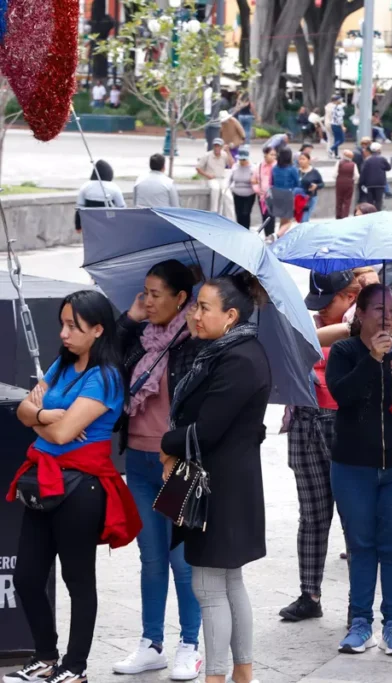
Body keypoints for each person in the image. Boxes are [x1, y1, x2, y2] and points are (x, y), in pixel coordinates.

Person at [8, 290, 139, 683]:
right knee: (28, 576)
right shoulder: (62, 365)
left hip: (82, 487)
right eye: (62, 324)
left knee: (77, 579)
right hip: (44, 478)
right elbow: (22, 410)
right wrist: (46, 413)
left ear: (98, 330)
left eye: (74, 326)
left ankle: (74, 667)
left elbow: (64, 434)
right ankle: (45, 656)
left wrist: (44, 419)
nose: (64, 333)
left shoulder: (106, 376)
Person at [159, 275, 271, 683]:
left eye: (204, 307)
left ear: (231, 315)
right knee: (227, 581)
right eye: (196, 305)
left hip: (217, 486)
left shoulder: (239, 359)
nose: (195, 313)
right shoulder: (223, 352)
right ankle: (241, 674)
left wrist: (167, 442)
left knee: (208, 587)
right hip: (224, 481)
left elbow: (206, 429)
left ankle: (218, 676)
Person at [112, 261, 204, 679]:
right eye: (143, 293)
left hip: (177, 463)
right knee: (150, 558)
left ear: (181, 298)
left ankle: (190, 643)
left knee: (181, 560)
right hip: (138, 458)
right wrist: (129, 321)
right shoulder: (142, 337)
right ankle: (151, 643)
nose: (147, 302)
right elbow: (106, 361)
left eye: (155, 294)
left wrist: (180, 451)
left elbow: (202, 408)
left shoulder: (197, 341)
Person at [325, 284, 392, 656]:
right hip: (353, 466)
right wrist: (371, 359)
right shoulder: (345, 351)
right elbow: (342, 396)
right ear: (361, 314)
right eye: (380, 309)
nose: (388, 316)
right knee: (361, 545)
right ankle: (360, 623)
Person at [277, 270, 358, 624]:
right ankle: (309, 594)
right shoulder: (308, 322)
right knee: (312, 516)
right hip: (305, 420)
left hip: (344, 424)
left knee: (354, 517)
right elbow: (290, 352)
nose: (323, 309)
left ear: (350, 295)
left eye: (331, 301)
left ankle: (361, 601)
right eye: (319, 303)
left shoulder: (365, 321)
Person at [76, 160, 126, 229]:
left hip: (90, 226)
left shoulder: (85, 187)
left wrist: (78, 226)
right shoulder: (114, 188)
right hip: (109, 225)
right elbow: (122, 209)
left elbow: (79, 208)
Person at [196, 138, 233, 215]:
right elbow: (198, 168)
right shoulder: (207, 155)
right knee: (215, 189)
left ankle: (230, 217)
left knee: (227, 194)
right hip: (211, 179)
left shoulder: (224, 154)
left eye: (218, 146)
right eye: (215, 146)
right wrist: (207, 175)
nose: (216, 148)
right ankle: (214, 212)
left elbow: (232, 165)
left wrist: (228, 152)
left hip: (221, 179)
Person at [269, 147, 301, 236]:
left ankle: (280, 238)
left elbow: (272, 181)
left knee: (283, 219)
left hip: (276, 194)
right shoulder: (292, 169)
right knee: (289, 220)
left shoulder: (275, 168)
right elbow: (297, 183)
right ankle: (277, 235)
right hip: (287, 194)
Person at [228, 147, 257, 229]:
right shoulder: (235, 167)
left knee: (246, 213)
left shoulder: (253, 168)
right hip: (237, 193)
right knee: (239, 213)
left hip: (249, 194)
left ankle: (246, 229)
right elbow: (230, 179)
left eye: (244, 160)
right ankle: (239, 229)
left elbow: (256, 181)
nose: (242, 161)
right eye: (241, 160)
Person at [360, 143, 391, 211]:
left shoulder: (367, 160)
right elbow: (389, 168)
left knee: (370, 201)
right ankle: (378, 213)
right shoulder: (382, 159)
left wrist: (362, 183)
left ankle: (370, 213)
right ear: (378, 150)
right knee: (378, 201)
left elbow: (363, 172)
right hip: (380, 183)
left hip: (369, 184)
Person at [297, 151, 323, 222]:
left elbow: (322, 184)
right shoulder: (297, 171)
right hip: (298, 199)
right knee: (300, 219)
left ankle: (304, 232)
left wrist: (316, 186)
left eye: (303, 159)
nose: (301, 161)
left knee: (304, 219)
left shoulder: (314, 172)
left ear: (308, 160)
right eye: (300, 159)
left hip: (309, 198)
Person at [335, 149, 358, 219]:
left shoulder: (339, 163)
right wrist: (353, 180)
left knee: (339, 200)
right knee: (347, 201)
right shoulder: (353, 164)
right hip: (349, 183)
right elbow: (356, 175)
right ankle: (345, 216)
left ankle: (338, 216)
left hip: (339, 182)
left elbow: (334, 174)